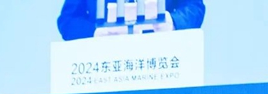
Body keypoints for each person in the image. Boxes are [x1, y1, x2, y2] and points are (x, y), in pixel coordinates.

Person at [58, 0, 206, 41]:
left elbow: (194, 7)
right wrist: (96, 31)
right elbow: (68, 20)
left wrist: (172, 21)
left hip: (163, 56)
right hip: (104, 64)